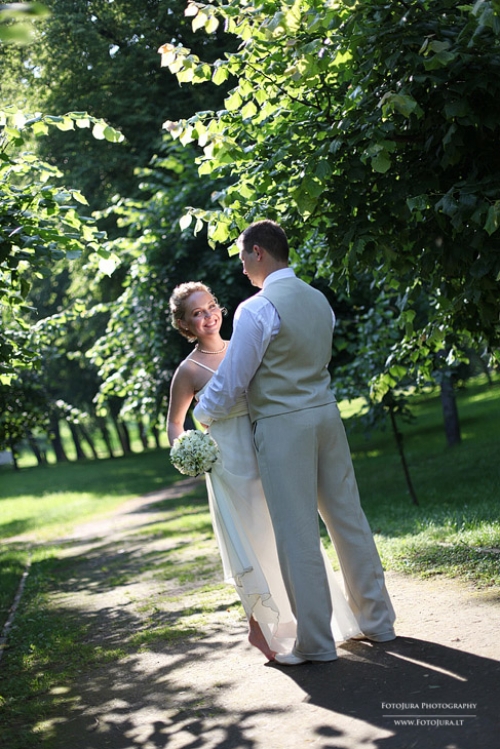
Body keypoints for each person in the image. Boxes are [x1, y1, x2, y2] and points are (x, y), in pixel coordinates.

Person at [194, 221, 396, 667]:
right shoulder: (318, 300)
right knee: (349, 520)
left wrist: (202, 413)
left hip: (283, 426)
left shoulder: (257, 308)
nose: (242, 266)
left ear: (260, 252)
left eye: (244, 256)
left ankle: (317, 643)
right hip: (326, 415)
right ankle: (379, 622)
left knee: (297, 532)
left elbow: (233, 380)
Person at [167, 281, 361, 662]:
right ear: (185, 324)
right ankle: (261, 627)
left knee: (289, 533)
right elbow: (175, 424)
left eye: (211, 307)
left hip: (268, 449)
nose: (208, 316)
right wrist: (190, 450)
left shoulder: (243, 345)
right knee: (253, 543)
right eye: (197, 313)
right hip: (229, 464)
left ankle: (309, 620)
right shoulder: (188, 371)